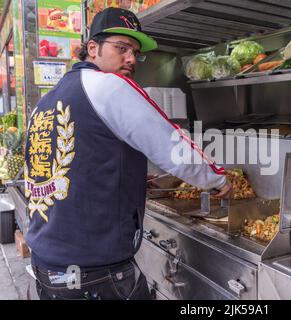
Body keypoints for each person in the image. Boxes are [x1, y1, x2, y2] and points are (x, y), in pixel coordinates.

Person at [24, 7, 232, 300]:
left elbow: (56, 167)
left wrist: (130, 176)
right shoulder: (109, 86)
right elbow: (173, 145)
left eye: (135, 51)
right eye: (121, 48)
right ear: (92, 48)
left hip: (48, 267)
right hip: (95, 273)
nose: (131, 58)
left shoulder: (46, 101)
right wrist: (219, 180)